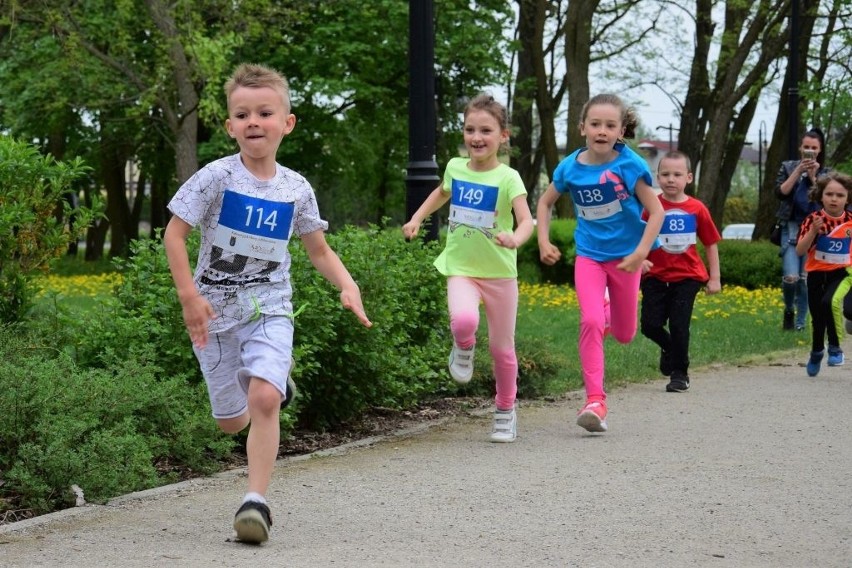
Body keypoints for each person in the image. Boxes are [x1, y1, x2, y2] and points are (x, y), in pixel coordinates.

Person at [164, 63, 372, 544]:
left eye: (264, 112)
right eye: (243, 114)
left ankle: (254, 503)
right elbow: (175, 237)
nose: (253, 121)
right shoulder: (215, 178)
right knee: (229, 421)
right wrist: (189, 297)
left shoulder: (296, 188)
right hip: (213, 314)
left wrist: (347, 282)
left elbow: (318, 249)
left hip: (269, 307)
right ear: (230, 125)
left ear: (287, 122)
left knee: (261, 399)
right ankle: (276, 388)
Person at [402, 94, 533, 443]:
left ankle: (505, 410)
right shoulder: (455, 167)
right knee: (463, 320)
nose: (476, 137)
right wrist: (417, 218)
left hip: (500, 274)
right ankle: (463, 346)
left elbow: (526, 221)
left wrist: (515, 239)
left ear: (502, 136)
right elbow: (441, 193)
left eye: (486, 131)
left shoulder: (509, 178)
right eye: (470, 129)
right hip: (461, 266)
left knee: (503, 350)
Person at [536, 93, 664, 433]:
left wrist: (640, 253)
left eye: (610, 125)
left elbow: (658, 211)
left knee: (624, 334)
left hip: (626, 259)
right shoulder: (570, 169)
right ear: (582, 128)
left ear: (621, 131)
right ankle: (595, 401)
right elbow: (545, 203)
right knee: (590, 321)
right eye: (595, 124)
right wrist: (544, 240)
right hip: (590, 255)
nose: (602, 131)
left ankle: (610, 310)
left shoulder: (629, 165)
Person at [640, 151, 721, 393]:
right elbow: (639, 237)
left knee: (679, 325)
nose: (670, 179)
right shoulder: (651, 207)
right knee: (649, 325)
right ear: (657, 177)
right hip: (654, 276)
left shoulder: (697, 208)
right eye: (665, 174)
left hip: (687, 277)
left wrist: (714, 278)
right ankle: (670, 348)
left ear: (689, 178)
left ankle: (680, 373)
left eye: (677, 174)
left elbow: (710, 243)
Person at [794, 171, 852, 377]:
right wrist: (812, 233)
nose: (834, 199)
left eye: (840, 195)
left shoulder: (850, 222)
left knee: (830, 302)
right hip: (816, 274)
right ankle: (817, 351)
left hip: (841, 272)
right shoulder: (813, 220)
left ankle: (835, 348)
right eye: (829, 194)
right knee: (817, 319)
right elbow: (800, 250)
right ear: (820, 196)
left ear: (848, 198)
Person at [775, 129, 830, 331]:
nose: (809, 151)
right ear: (800, 147)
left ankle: (799, 324)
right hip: (791, 230)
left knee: (806, 280)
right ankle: (789, 310)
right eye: (806, 147)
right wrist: (798, 172)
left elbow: (827, 200)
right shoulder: (788, 167)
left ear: (820, 150)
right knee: (791, 278)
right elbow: (780, 193)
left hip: (814, 230)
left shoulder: (826, 173)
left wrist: (814, 176)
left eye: (814, 148)